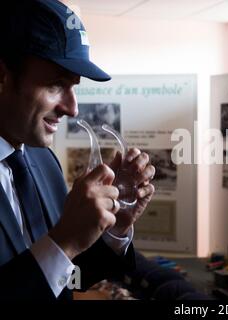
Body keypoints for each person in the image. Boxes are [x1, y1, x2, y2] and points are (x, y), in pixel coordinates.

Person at [0, 0, 155, 300]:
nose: (72, 108)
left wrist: (115, 226)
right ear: (4, 75)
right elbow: (58, 251)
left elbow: (69, 277)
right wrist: (64, 240)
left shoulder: (43, 161)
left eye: (74, 86)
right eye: (56, 85)